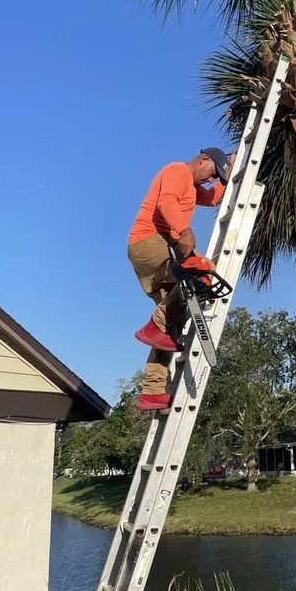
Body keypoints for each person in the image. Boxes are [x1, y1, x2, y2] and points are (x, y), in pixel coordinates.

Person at [128, 147, 234, 410]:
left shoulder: (195, 185)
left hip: (158, 252)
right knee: (203, 268)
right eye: (212, 172)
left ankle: (152, 391)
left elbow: (211, 199)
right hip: (149, 243)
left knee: (169, 328)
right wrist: (185, 230)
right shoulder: (177, 170)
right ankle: (155, 324)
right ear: (204, 159)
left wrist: (230, 173)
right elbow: (165, 204)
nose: (210, 180)